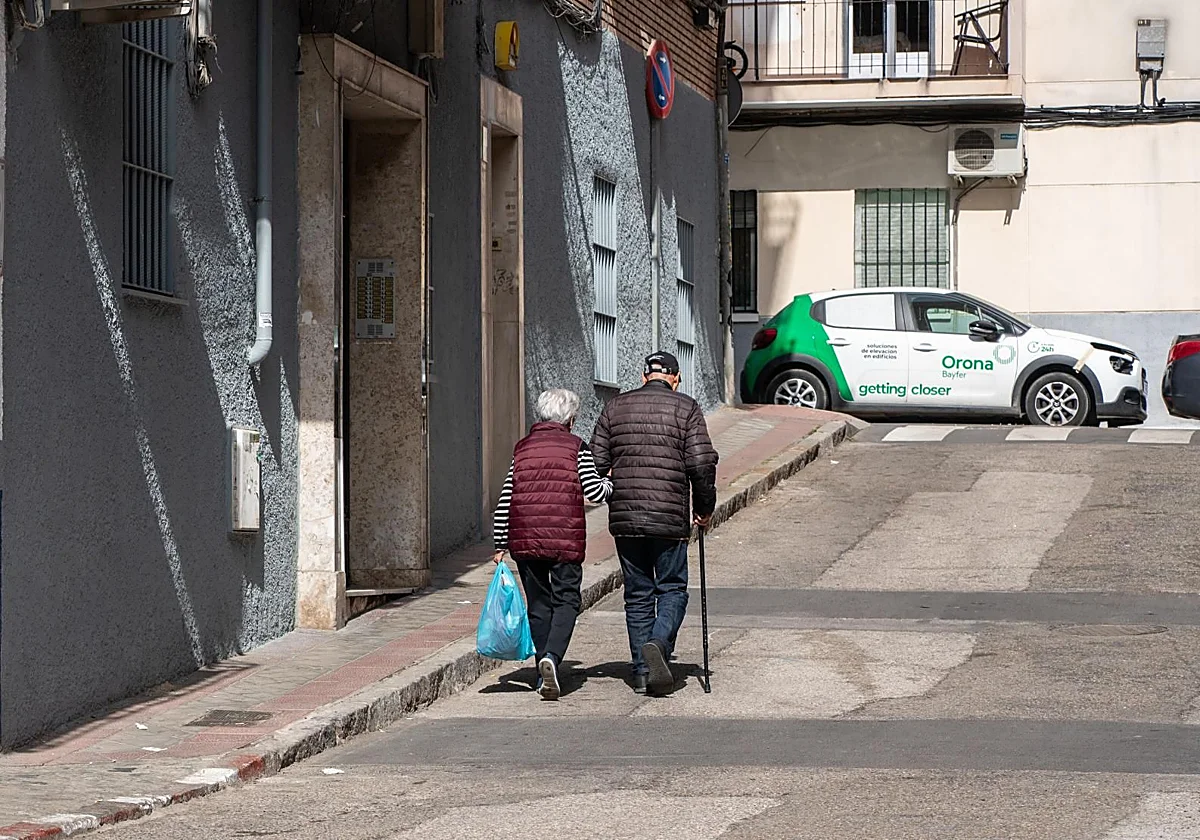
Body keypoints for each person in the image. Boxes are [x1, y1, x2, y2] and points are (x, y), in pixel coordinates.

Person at [591, 351, 718, 696]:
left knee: (638, 594)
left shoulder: (615, 407)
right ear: (675, 378)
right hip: (669, 518)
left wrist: (606, 493)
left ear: (645, 376)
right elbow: (702, 463)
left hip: (626, 518)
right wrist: (705, 509)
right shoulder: (686, 408)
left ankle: (642, 672)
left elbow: (596, 461)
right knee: (673, 588)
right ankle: (659, 644)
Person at [492, 389, 613, 700]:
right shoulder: (576, 448)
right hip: (564, 538)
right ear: (570, 420)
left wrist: (499, 542)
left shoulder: (522, 449)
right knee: (567, 601)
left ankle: (540, 670)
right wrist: (611, 484)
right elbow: (595, 492)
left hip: (525, 539)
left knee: (538, 604)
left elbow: (506, 498)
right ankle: (553, 659)